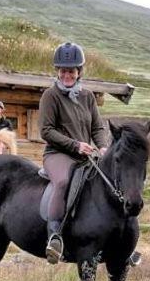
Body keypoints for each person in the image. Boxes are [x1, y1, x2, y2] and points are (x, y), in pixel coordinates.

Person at [39, 42, 109, 264]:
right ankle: (55, 237)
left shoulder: (88, 96)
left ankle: (116, 240)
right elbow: (46, 130)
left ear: (79, 72)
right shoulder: (50, 96)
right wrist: (76, 145)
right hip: (57, 155)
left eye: (71, 71)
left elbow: (97, 127)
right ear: (57, 71)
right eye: (63, 70)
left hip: (86, 156)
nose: (66, 75)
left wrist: (103, 146)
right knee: (62, 182)